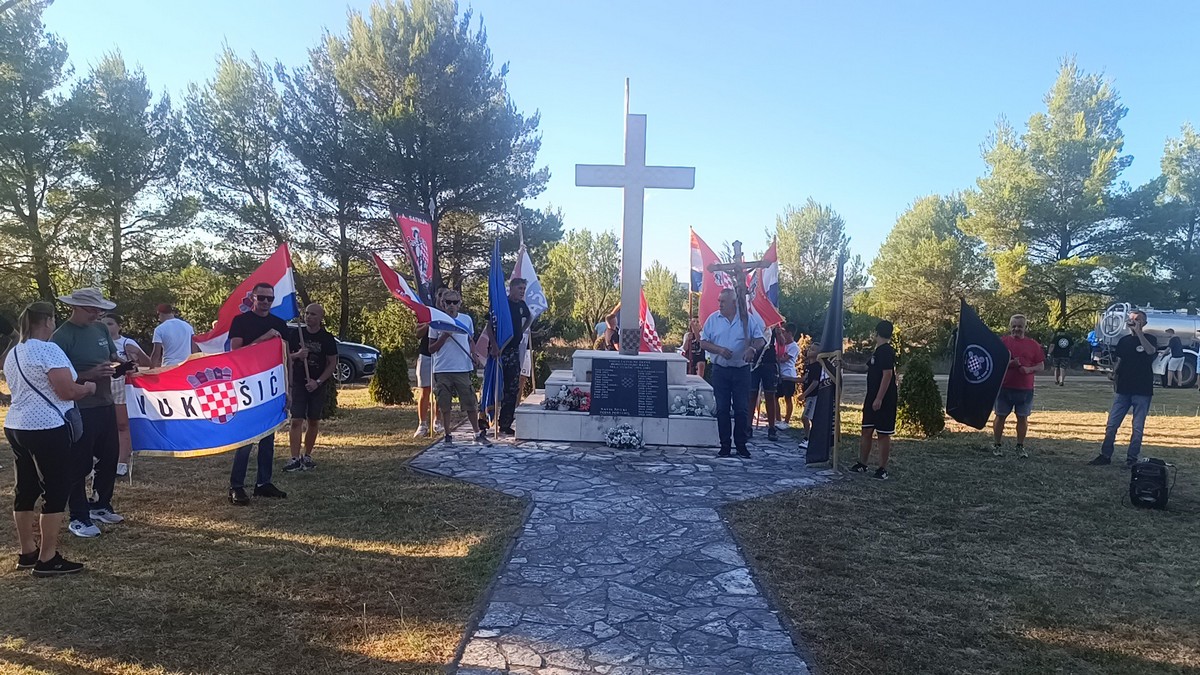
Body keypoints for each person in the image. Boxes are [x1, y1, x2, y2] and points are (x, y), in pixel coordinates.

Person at [5, 302, 96, 576]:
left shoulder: (14, 353)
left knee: (26, 489)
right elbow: (67, 390)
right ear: (47, 321)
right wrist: (88, 388)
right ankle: (48, 558)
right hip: (47, 426)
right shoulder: (48, 350)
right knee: (55, 490)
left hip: (16, 425)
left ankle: (27, 551)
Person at [50, 288, 125, 537]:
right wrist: (88, 375)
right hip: (78, 407)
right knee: (79, 463)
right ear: (76, 308)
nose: (96, 315)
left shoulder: (101, 329)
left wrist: (122, 367)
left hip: (105, 401)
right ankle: (79, 516)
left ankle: (101, 505)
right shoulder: (61, 336)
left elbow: (113, 358)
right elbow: (55, 375)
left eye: (99, 310)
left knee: (110, 457)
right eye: (91, 310)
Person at [227, 281, 298, 505]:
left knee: (268, 438)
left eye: (270, 298)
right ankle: (236, 486)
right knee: (246, 440)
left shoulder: (279, 324)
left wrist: (288, 389)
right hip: (246, 386)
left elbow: (285, 358)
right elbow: (235, 354)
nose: (266, 302)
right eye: (262, 298)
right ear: (253, 298)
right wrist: (263, 339)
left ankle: (263, 483)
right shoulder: (241, 322)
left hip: (272, 387)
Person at [699, 287, 766, 458]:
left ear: (734, 303)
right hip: (720, 370)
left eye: (723, 301)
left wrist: (752, 348)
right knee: (722, 409)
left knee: (741, 409)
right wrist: (719, 349)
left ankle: (741, 445)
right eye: (719, 301)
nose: (719, 304)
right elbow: (703, 342)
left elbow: (760, 339)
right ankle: (725, 445)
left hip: (741, 371)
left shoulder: (746, 320)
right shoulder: (713, 320)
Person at [1089, 310, 1158, 467]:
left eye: (1137, 319)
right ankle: (1105, 455)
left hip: (1142, 390)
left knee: (1137, 427)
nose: (1133, 322)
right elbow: (1119, 360)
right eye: (1131, 319)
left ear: (1144, 323)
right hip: (1123, 389)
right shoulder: (1124, 341)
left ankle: (1132, 458)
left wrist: (1139, 333)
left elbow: (1150, 351)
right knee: (1112, 424)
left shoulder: (1150, 339)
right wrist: (1114, 373)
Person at [428, 289, 491, 446]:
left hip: (462, 367)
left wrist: (474, 354)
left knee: (470, 401)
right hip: (442, 368)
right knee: (445, 403)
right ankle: (448, 434)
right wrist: (444, 336)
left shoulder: (466, 319)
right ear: (443, 303)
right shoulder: (436, 321)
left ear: (460, 303)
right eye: (448, 302)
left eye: (455, 302)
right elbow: (430, 349)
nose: (451, 305)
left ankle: (477, 433)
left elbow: (470, 340)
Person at [283, 304, 338, 473]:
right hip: (298, 383)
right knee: (296, 420)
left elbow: (332, 363)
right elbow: (285, 357)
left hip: (317, 384)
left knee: (313, 420)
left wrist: (318, 381)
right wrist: (297, 355)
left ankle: (307, 455)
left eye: (313, 314)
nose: (308, 317)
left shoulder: (327, 338)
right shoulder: (295, 334)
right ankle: (294, 458)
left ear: (321, 317)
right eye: (306, 313)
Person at [846, 321, 898, 480]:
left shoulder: (887, 351)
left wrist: (879, 398)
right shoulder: (877, 352)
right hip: (871, 397)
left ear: (877, 333)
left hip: (884, 399)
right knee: (866, 430)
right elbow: (866, 367)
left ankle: (882, 469)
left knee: (883, 433)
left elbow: (887, 374)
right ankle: (862, 463)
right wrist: (844, 365)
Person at [101, 314, 150, 477]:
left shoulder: (127, 343)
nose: (106, 327)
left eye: (110, 323)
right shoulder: (97, 342)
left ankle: (122, 461)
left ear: (119, 326)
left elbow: (146, 362)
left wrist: (131, 363)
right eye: (103, 324)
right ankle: (103, 459)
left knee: (122, 424)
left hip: (122, 386)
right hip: (101, 386)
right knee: (104, 426)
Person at [993, 314, 1045, 458]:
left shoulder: (1033, 345)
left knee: (1022, 418)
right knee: (1000, 416)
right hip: (1004, 387)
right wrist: (1011, 364)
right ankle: (997, 445)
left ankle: (1020, 446)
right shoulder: (1002, 342)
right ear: (1010, 326)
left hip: (1025, 389)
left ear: (1025, 327)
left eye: (1019, 326)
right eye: (1014, 326)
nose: (1016, 329)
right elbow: (995, 363)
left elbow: (1041, 365)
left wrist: (1028, 370)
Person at [494, 278, 532, 435]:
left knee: (512, 388)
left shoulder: (522, 306)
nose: (522, 291)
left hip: (514, 351)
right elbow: (489, 324)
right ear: (511, 288)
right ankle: (484, 419)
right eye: (520, 288)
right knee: (494, 386)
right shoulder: (502, 304)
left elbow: (529, 318)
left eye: (524, 288)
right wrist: (495, 345)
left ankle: (505, 423)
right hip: (500, 350)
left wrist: (520, 331)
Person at [414, 289, 448, 438]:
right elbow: (417, 333)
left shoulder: (450, 314)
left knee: (440, 390)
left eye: (446, 297)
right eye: (441, 296)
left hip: (443, 356)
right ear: (436, 298)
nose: (443, 300)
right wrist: (430, 323)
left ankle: (437, 421)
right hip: (426, 355)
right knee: (425, 390)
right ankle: (422, 424)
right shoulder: (427, 312)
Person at [748, 322, 780, 441]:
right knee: (751, 395)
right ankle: (748, 427)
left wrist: (777, 331)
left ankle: (772, 428)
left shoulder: (772, 323)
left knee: (770, 395)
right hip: (754, 362)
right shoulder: (753, 321)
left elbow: (781, 342)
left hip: (769, 362)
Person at [150, 303, 197, 368]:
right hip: (186, 365)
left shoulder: (159, 329)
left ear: (160, 313)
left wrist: (151, 369)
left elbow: (156, 353)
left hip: (169, 366)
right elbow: (194, 349)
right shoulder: (188, 327)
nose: (158, 318)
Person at [775, 325, 800, 430]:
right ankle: (778, 419)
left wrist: (775, 357)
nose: (783, 335)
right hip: (779, 374)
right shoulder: (781, 345)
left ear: (790, 333)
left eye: (784, 332)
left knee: (788, 398)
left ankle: (786, 421)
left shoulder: (794, 347)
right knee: (775, 397)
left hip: (788, 375)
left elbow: (784, 359)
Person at [797, 343, 823, 448]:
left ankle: (809, 438)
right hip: (809, 397)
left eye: (813, 350)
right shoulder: (809, 366)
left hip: (813, 396)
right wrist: (788, 379)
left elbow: (815, 382)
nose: (809, 351)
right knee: (809, 417)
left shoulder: (817, 367)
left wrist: (804, 394)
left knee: (805, 417)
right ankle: (809, 437)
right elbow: (804, 379)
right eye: (810, 349)